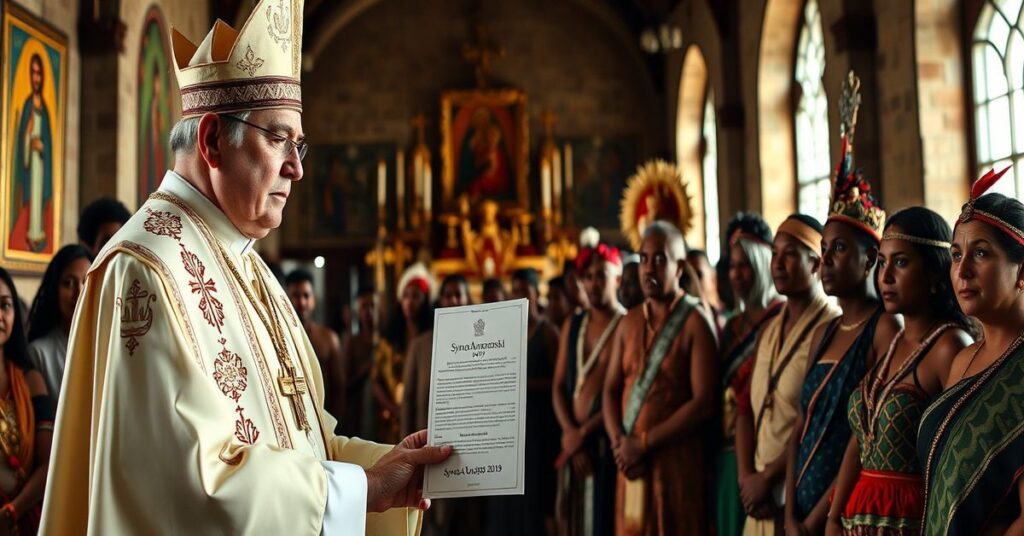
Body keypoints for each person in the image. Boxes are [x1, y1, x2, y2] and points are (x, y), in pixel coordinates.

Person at [40, 2, 451, 532]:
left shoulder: (247, 264)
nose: (297, 168)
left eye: (298, 144)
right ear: (211, 140)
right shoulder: (144, 269)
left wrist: (391, 466)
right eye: (278, 138)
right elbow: (184, 483)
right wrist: (363, 490)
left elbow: (306, 437)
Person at [784, 92, 900, 534]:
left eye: (838, 250)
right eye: (822, 250)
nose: (824, 261)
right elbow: (801, 425)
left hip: (845, 510)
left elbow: (868, 437)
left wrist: (816, 519)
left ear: (871, 259)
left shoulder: (884, 329)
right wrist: (792, 511)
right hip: (798, 504)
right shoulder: (826, 332)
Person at [827, 207, 972, 535]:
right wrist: (833, 517)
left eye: (901, 262)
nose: (886, 276)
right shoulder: (892, 341)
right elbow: (860, 438)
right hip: (857, 521)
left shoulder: (949, 346)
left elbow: (956, 462)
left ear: (934, 273)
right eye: (882, 262)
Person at [918, 169, 1024, 535]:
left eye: (980, 254)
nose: (962, 271)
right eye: (956, 255)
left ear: (1021, 271)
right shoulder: (964, 360)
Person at [603, 220, 718, 534]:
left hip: (675, 463)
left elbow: (703, 403)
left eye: (659, 259)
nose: (648, 268)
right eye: (643, 258)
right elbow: (610, 390)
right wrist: (620, 446)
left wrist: (643, 443)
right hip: (630, 463)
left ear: (679, 267)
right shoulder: (628, 322)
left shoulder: (695, 322)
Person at [737, 214, 840, 535]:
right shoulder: (769, 328)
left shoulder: (833, 328)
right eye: (775, 254)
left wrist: (767, 478)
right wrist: (746, 480)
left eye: (790, 254)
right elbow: (745, 409)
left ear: (815, 264)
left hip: (796, 493)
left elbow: (816, 424)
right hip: (755, 491)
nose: (778, 264)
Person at [716, 213, 784, 536]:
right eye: (732, 266)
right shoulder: (730, 326)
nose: (737, 274)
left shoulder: (781, 316)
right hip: (730, 454)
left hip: (769, 451)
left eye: (744, 265)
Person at [553, 243, 625, 536]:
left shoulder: (626, 323)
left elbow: (620, 394)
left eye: (602, 276)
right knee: (572, 520)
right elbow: (558, 386)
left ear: (617, 279)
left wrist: (581, 435)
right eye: (589, 276)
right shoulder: (574, 323)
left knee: (602, 519)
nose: (594, 283)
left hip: (604, 442)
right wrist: (570, 432)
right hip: (572, 441)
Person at [486, 268, 561, 535]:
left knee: (533, 492)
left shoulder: (548, 332)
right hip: (509, 427)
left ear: (535, 292)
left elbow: (559, 381)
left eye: (524, 290)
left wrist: (523, 386)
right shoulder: (506, 332)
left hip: (538, 425)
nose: (519, 296)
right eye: (514, 291)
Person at [401, 274, 475, 536]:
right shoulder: (421, 345)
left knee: (468, 521)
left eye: (459, 295)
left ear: (468, 301)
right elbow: (408, 400)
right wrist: (408, 456)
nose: (454, 300)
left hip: (471, 450)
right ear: (440, 301)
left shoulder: (480, 343)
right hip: (429, 450)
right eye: (448, 295)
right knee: (432, 522)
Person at [0, 267, 55, 534]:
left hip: (22, 519)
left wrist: (12, 511)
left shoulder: (31, 381)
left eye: (5, 305)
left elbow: (48, 464)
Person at [26, 244, 93, 401]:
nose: (78, 292)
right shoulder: (39, 353)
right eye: (68, 283)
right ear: (54, 289)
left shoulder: (110, 343)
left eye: (86, 282)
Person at [379, 263, 434, 443]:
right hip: (392, 415)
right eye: (406, 296)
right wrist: (394, 409)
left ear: (424, 301)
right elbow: (376, 378)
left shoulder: (431, 338)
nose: (410, 302)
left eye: (416, 297)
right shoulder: (390, 338)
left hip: (423, 411)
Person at [285, 269, 345, 429]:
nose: (302, 302)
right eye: (295, 296)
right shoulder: (279, 338)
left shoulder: (328, 338)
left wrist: (332, 427)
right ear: (285, 299)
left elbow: (338, 387)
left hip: (324, 420)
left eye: (306, 296)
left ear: (314, 299)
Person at [12, 54, 53, 253]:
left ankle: (39, 234)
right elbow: (22, 139)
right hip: (31, 165)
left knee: (40, 202)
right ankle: (30, 235)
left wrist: (43, 148)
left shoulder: (44, 109)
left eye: (39, 73)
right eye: (33, 73)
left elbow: (50, 145)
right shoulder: (29, 105)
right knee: (32, 201)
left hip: (41, 164)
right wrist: (28, 138)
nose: (36, 78)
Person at [341, 285, 380, 439]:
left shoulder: (388, 341)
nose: (369, 312)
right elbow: (346, 383)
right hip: (360, 411)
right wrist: (365, 370)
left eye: (373, 306)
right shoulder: (353, 342)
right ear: (358, 310)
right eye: (364, 307)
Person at [687, 248, 726, 331]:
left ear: (713, 278)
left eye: (699, 275)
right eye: (688, 277)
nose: (693, 283)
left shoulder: (731, 322)